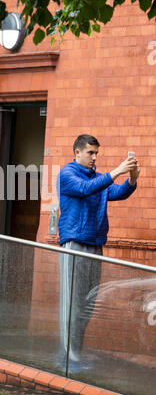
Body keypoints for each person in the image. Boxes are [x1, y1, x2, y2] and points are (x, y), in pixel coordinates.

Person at [57, 134, 140, 367]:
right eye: (90, 152)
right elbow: (85, 188)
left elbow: (117, 193)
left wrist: (132, 178)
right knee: (71, 301)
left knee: (87, 302)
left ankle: (77, 351)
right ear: (77, 153)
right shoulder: (67, 174)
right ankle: (67, 354)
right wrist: (116, 171)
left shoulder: (98, 178)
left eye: (96, 153)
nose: (94, 157)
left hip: (95, 243)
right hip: (74, 243)